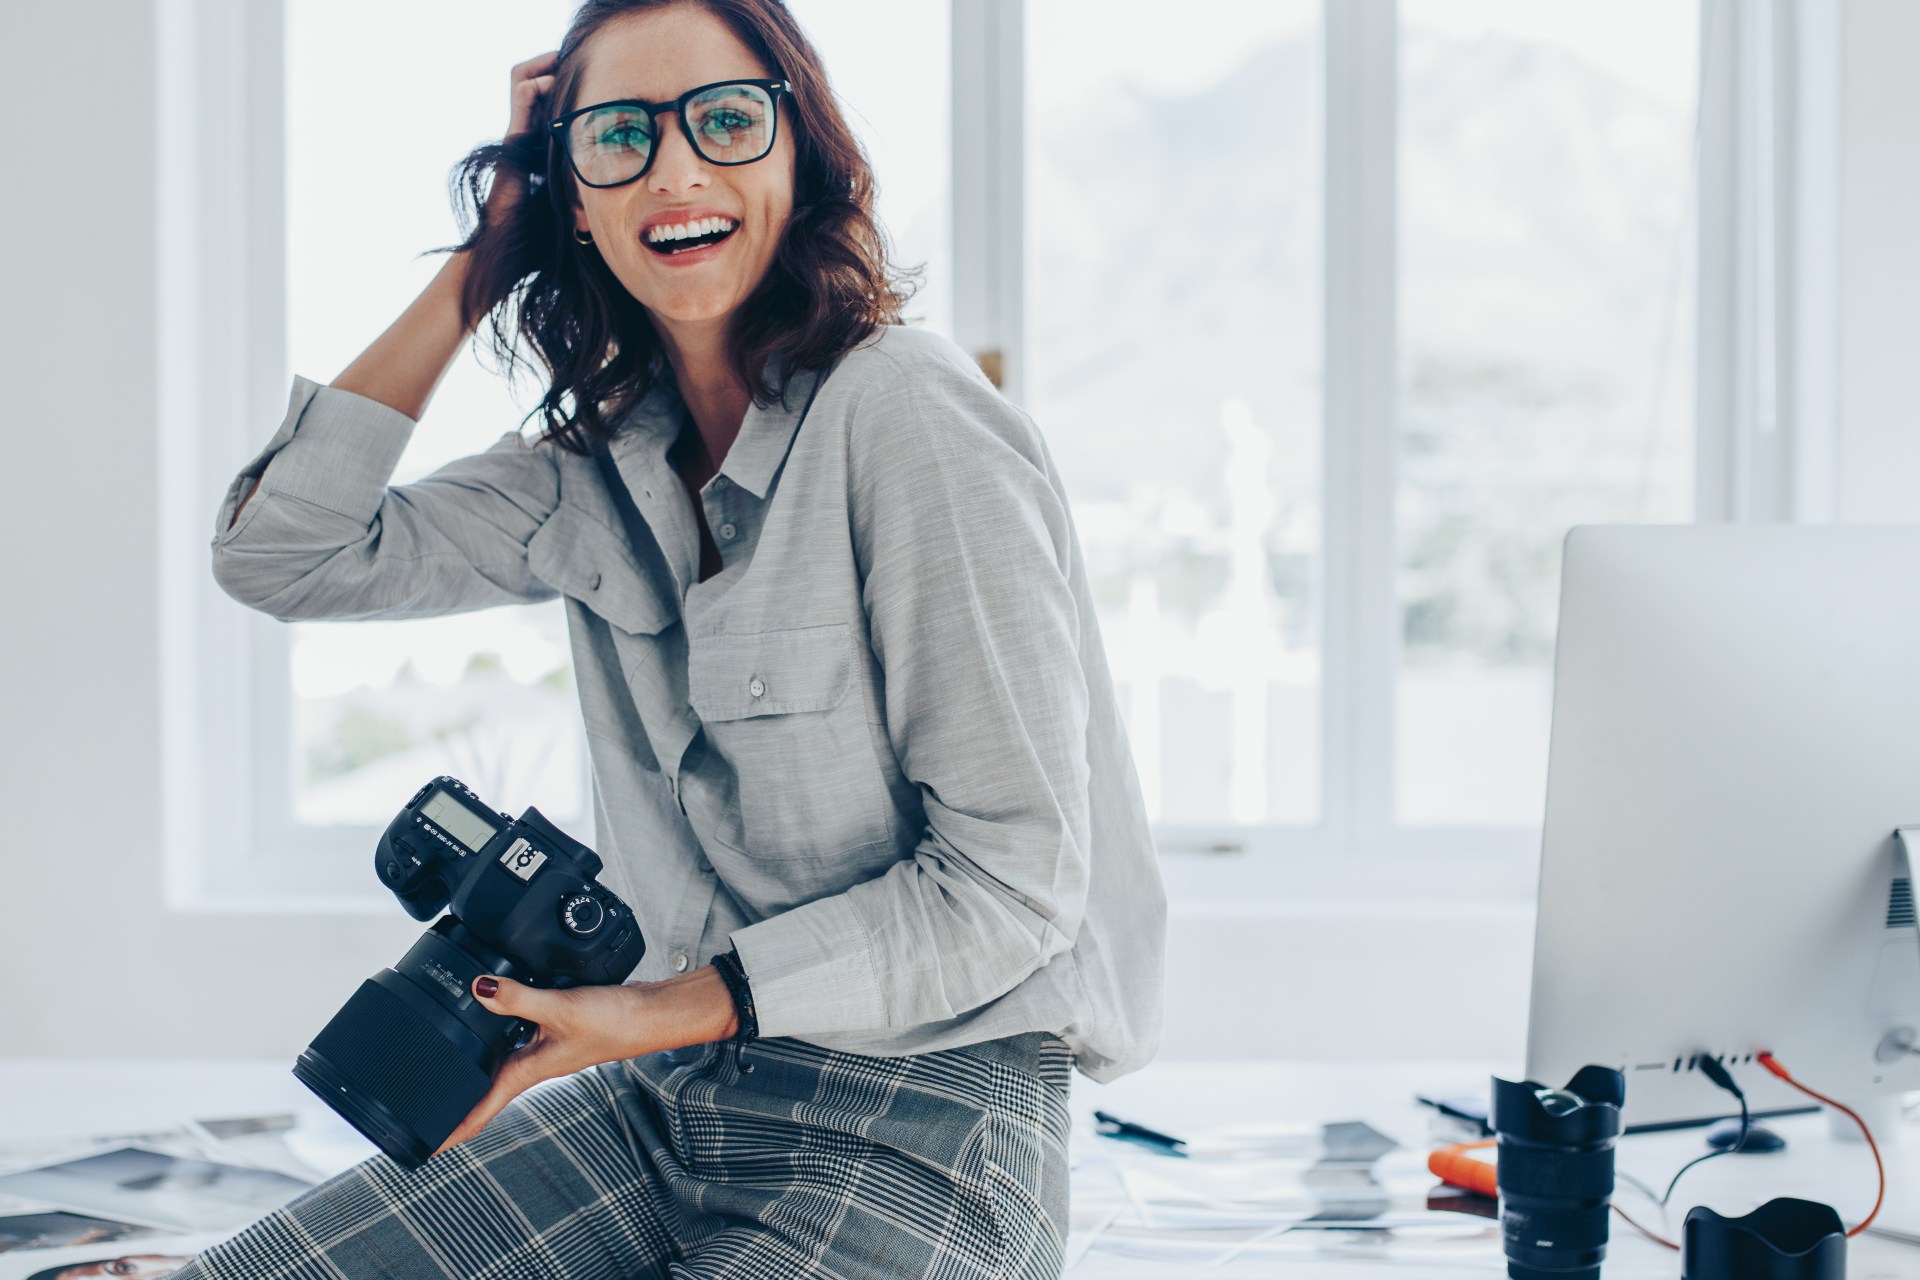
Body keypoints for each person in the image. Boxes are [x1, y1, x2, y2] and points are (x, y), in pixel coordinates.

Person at [177, 1, 1165, 1276]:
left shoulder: (909, 417)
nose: (678, 170)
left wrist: (643, 1012)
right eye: (620, 137)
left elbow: (1012, 886)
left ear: (798, 152)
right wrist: (485, 257)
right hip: (662, 1110)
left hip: (926, 1128)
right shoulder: (592, 466)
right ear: (570, 195)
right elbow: (283, 554)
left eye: (727, 119)